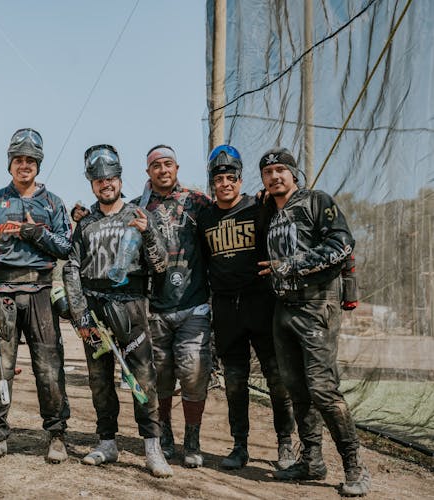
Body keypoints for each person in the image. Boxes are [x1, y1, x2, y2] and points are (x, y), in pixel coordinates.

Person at [257, 147, 370, 496]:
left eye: (281, 170)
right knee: (296, 388)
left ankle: (354, 466)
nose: (275, 176)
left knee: (322, 387)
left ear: (294, 174)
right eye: (269, 171)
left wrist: (290, 265)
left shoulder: (316, 201)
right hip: (283, 308)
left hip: (316, 305)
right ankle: (312, 460)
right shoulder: (271, 213)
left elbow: (342, 244)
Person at [63, 144, 171, 477]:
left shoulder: (140, 215)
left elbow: (161, 264)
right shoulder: (85, 223)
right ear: (91, 184)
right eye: (98, 180)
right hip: (94, 308)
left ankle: (152, 448)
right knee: (99, 381)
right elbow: (71, 267)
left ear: (120, 180)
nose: (105, 184)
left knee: (143, 379)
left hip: (132, 307)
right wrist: (79, 312)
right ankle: (107, 442)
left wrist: (149, 233)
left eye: (110, 178)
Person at [0, 128, 72, 464]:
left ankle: (57, 435)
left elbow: (65, 247)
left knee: (49, 368)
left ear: (38, 164)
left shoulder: (53, 203)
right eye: (19, 159)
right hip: (1, 293)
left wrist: (34, 231)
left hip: (41, 292)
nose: (24, 165)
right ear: (10, 164)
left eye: (31, 160)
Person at [197, 145, 295, 470]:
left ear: (240, 180)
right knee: (235, 382)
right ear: (213, 183)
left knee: (277, 378)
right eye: (219, 178)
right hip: (226, 309)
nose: (225, 183)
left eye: (231, 177)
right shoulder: (205, 217)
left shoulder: (259, 207)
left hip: (261, 304)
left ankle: (285, 444)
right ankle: (240, 446)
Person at [130, 145, 212, 467]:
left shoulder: (196, 201)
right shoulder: (140, 207)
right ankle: (164, 434)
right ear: (148, 172)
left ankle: (193, 436)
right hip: (156, 308)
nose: (163, 170)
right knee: (160, 377)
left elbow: (220, 221)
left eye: (168, 164)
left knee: (193, 372)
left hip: (194, 303)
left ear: (176, 167)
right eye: (156, 166)